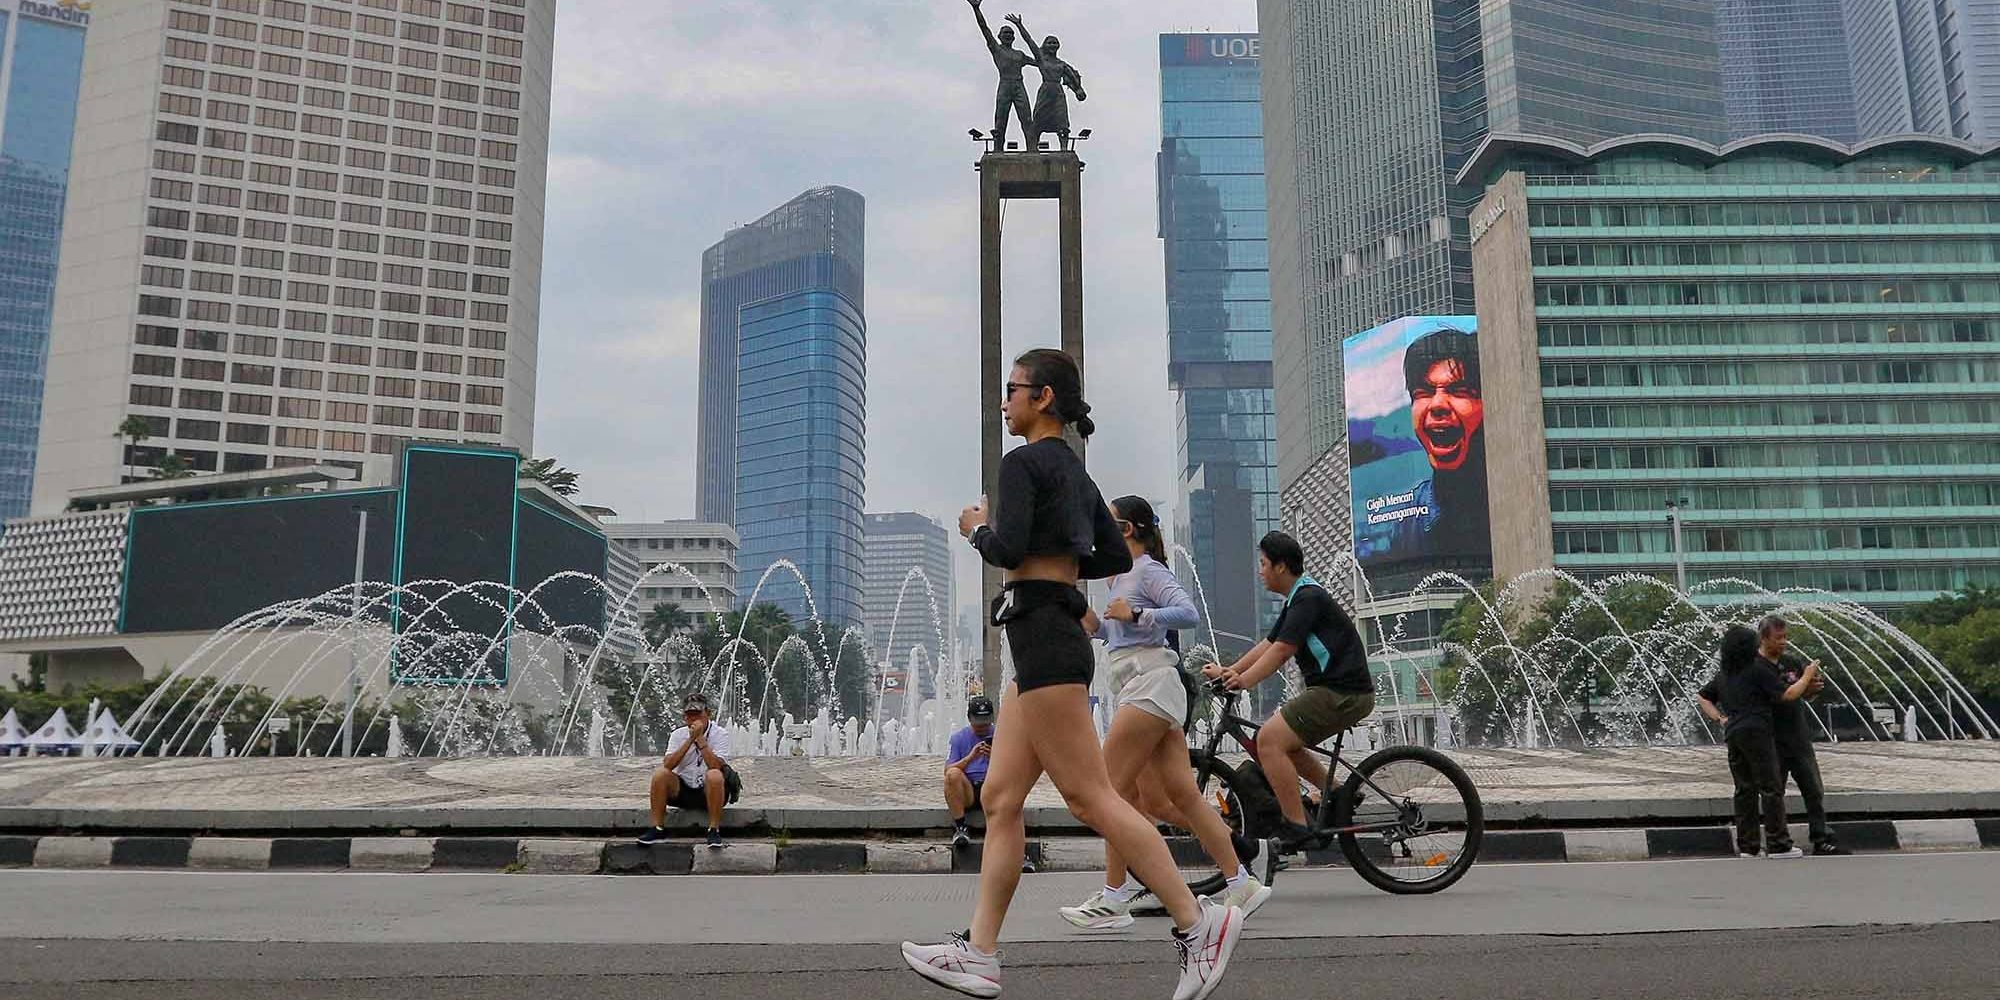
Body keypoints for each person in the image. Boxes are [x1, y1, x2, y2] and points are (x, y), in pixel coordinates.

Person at [902, 349, 1241, 1000]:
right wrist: (1058, 567)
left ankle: (1200, 925)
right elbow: (1109, 552)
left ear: (1044, 397)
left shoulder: (1022, 463)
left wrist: (977, 530)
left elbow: (1006, 549)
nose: (1006, 402)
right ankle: (979, 952)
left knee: (1093, 798)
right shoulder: (1078, 476)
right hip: (1045, 635)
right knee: (1001, 799)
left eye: (1013, 391)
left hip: (1046, 638)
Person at [1057, 495, 1273, 932]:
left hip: (1150, 687)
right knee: (1180, 796)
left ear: (1128, 530)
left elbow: (1187, 613)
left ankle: (1115, 898)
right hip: (1145, 686)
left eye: (1109, 524)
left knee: (1108, 792)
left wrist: (1138, 611)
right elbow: (1119, 637)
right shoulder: (1120, 576)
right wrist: (1094, 623)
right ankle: (1241, 882)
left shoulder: (1149, 570)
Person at [1203, 531, 1375, 853]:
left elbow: (1282, 651)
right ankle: (1336, 793)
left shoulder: (1308, 597)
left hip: (1342, 692)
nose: (1260, 570)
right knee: (1286, 744)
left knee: (1268, 740)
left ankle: (1296, 826)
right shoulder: (1298, 598)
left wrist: (1244, 682)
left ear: (1281, 567)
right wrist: (1233, 672)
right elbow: (1268, 644)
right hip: (1336, 690)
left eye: (1264, 564)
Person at [1697, 625, 1821, 859]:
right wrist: (1807, 675)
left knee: (1744, 789)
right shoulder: (1757, 670)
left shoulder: (1726, 673)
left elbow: (1703, 696)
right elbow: (1788, 695)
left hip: (1733, 732)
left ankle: (1748, 846)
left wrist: (1720, 718)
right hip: (1757, 731)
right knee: (1771, 787)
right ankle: (1778, 844)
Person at [1384, 326, 1488, 563]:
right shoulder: (1406, 521)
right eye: (1423, 392)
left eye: (1459, 390)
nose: (1437, 404)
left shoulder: (1516, 500)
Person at [637, 692, 733, 849]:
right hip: (683, 790)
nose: (693, 719)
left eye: (698, 714)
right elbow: (668, 764)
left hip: (710, 791)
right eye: (689, 715)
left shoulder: (720, 734)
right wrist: (690, 740)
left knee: (714, 775)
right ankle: (657, 827)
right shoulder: (677, 735)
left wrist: (701, 740)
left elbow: (716, 765)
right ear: (684, 717)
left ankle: (714, 829)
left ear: (708, 714)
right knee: (660, 774)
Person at [1005, 13, 1086, 151]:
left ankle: (1064, 148)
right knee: (1038, 120)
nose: (1052, 45)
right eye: (1050, 42)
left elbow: (1072, 76)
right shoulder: (1041, 60)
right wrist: (1019, 25)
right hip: (1045, 91)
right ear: (1045, 45)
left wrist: (1079, 90)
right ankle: (1032, 147)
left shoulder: (1061, 64)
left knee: (1062, 121)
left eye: (1055, 43)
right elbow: (1029, 42)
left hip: (1058, 93)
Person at [965, 0, 1034, 150]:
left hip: (1019, 86)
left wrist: (1020, 25)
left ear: (1014, 37)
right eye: (1005, 33)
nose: (1008, 35)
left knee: (1027, 119)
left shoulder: (1020, 54)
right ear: (1000, 36)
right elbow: (984, 29)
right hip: (1005, 85)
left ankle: (1032, 148)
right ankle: (998, 149)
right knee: (1000, 120)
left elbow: (1040, 62)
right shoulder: (997, 49)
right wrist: (976, 9)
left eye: (1010, 33)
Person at [946, 695, 998, 849]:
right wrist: (970, 758)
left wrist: (995, 757)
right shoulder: (958, 738)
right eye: (978, 724)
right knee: (952, 774)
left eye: (986, 723)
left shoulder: (1002, 735)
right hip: (968, 789)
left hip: (993, 787)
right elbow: (948, 770)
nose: (983, 728)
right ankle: (961, 827)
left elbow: (1016, 768)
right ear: (969, 719)